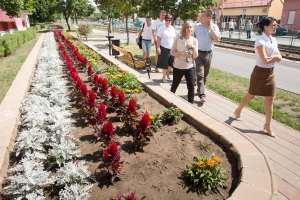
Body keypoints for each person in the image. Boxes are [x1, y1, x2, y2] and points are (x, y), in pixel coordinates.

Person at [234, 17, 282, 138]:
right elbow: (265, 60)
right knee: (251, 95)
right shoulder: (260, 41)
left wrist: (276, 57)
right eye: (273, 25)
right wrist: (275, 57)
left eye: (276, 25)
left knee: (270, 99)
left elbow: (279, 56)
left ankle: (268, 126)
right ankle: (238, 110)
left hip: (270, 73)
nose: (275, 27)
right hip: (259, 73)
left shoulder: (273, 40)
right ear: (265, 27)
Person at [194, 9, 221, 103]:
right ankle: (202, 95)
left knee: (205, 75)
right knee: (200, 74)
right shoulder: (197, 26)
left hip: (209, 54)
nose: (200, 17)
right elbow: (192, 38)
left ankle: (199, 90)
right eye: (200, 16)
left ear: (208, 18)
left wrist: (211, 29)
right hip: (198, 53)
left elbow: (217, 39)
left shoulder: (214, 27)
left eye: (203, 16)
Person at [170, 21, 198, 103]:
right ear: (184, 28)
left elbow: (195, 55)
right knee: (174, 86)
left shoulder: (195, 40)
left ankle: (190, 105)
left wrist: (193, 47)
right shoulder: (178, 39)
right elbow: (172, 52)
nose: (189, 29)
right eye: (187, 27)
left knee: (191, 87)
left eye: (190, 27)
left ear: (193, 29)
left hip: (190, 67)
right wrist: (182, 54)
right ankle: (169, 102)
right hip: (178, 67)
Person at [156, 13, 176, 83]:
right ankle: (164, 77)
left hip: (171, 48)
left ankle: (167, 73)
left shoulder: (172, 28)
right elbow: (158, 38)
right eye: (167, 20)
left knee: (172, 63)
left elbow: (174, 38)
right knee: (164, 63)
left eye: (169, 20)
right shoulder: (162, 28)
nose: (168, 21)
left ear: (171, 20)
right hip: (164, 47)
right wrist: (158, 47)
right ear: (165, 20)